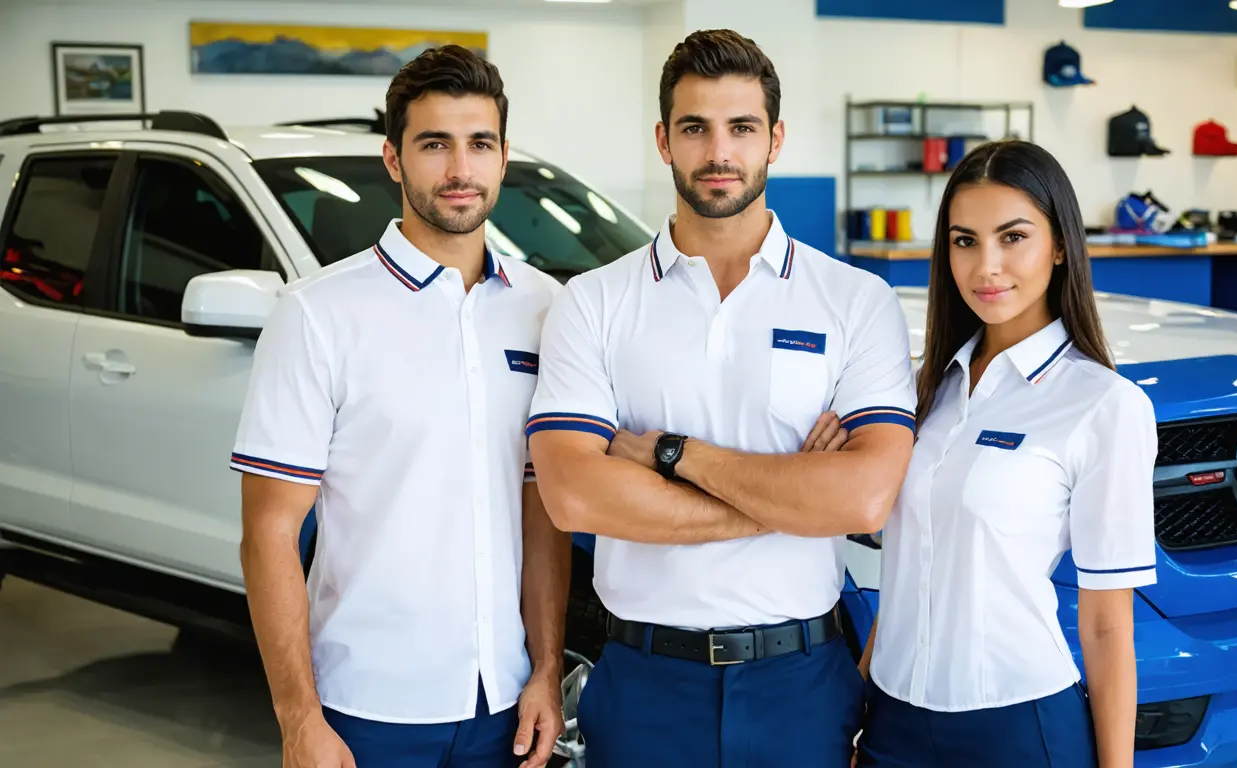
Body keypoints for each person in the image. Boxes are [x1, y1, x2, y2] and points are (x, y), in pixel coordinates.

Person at [526, 28, 918, 768]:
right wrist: (793, 497)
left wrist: (671, 457)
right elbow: (574, 497)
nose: (719, 152)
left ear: (775, 139)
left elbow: (864, 500)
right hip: (644, 682)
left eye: (741, 128)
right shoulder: (593, 302)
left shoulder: (855, 300)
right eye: (695, 128)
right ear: (663, 140)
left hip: (799, 681)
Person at [233, 45, 569, 768]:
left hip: (504, 706)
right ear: (393, 160)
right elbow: (268, 533)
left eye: (479, 144)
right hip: (366, 708)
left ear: (503, 157)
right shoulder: (318, 314)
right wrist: (299, 720)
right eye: (433, 145)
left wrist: (544, 671)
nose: (459, 169)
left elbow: (542, 510)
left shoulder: (547, 310)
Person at [854, 139, 1159, 768]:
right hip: (892, 721)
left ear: (1059, 246)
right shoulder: (923, 390)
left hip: (1017, 729)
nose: (986, 266)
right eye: (965, 241)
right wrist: (860, 712)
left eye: (1012, 237)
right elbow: (908, 571)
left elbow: (1106, 627)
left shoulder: (1104, 404)